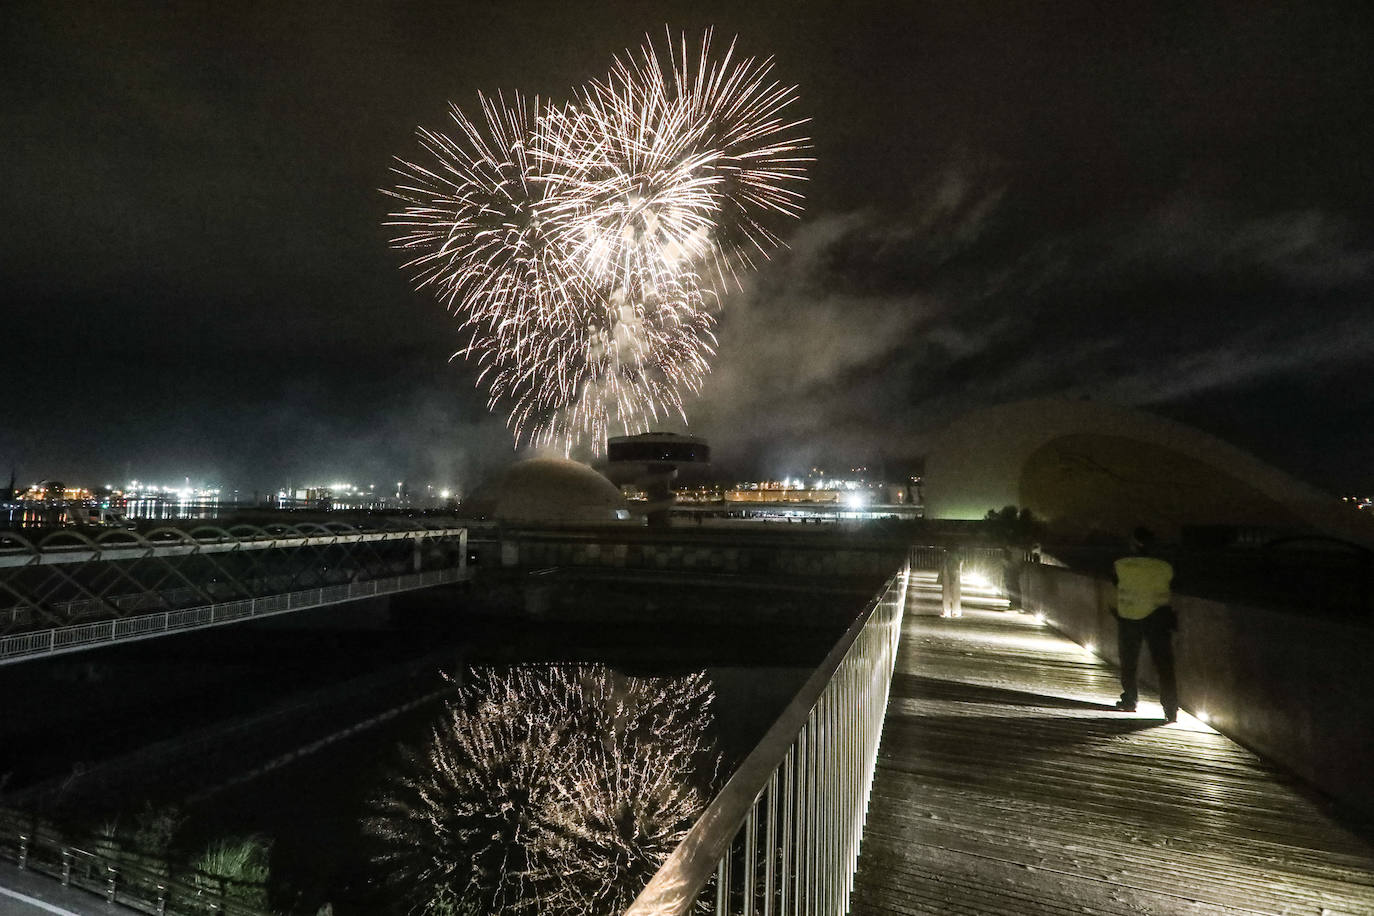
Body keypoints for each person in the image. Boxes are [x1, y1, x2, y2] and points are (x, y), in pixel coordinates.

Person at [1111, 527, 1178, 722]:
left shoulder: (1120, 565)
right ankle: (1170, 709)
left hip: (1129, 619)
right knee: (1164, 666)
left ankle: (1130, 700)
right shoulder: (1165, 567)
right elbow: (1173, 585)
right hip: (1158, 619)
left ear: (1133, 544)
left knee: (1129, 663)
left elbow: (1115, 583)